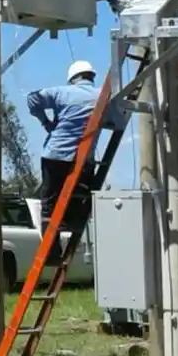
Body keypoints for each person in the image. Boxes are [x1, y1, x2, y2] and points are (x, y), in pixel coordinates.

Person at [25, 61, 110, 259]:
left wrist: (45, 121)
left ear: (73, 78)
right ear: (91, 76)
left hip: (56, 155)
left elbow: (32, 100)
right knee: (78, 196)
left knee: (49, 204)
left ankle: (51, 253)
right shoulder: (103, 96)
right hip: (83, 159)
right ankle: (73, 228)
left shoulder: (61, 93)